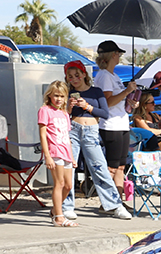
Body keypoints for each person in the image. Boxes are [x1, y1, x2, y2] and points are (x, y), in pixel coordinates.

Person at [62, 60, 127, 220]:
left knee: (100, 168)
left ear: (84, 74)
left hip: (91, 131)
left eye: (77, 75)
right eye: (70, 77)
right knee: (69, 168)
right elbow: (63, 116)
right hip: (74, 130)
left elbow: (104, 113)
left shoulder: (96, 92)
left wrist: (87, 107)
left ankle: (114, 205)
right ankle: (67, 206)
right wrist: (69, 108)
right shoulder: (68, 93)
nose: (74, 79)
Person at [94, 40, 137, 206]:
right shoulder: (104, 76)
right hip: (110, 125)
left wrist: (130, 101)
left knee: (120, 166)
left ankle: (117, 201)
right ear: (113, 55)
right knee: (111, 167)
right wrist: (127, 91)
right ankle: (106, 202)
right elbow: (107, 102)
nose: (119, 57)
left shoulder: (113, 75)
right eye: (118, 54)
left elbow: (118, 101)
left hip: (121, 123)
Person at [38, 81, 76, 227]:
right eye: (56, 96)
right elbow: (43, 134)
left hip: (65, 150)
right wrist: (47, 155)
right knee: (59, 183)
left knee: (68, 185)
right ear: (50, 95)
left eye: (61, 96)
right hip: (54, 150)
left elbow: (67, 136)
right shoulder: (45, 110)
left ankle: (55, 210)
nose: (58, 99)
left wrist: (72, 156)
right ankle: (59, 217)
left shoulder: (64, 113)